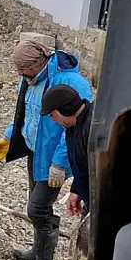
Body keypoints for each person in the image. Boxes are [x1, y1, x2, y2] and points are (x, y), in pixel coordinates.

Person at [0, 39, 92, 260]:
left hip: (54, 159)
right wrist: (9, 135)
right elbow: (24, 113)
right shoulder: (30, 80)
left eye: (23, 70)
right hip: (35, 152)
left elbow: (74, 131)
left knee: (38, 208)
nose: (20, 75)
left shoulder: (72, 83)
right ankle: (37, 252)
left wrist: (59, 163)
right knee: (35, 205)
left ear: (38, 63)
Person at [40, 84, 93, 219]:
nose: (52, 119)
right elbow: (83, 165)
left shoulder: (93, 129)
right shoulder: (74, 126)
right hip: (91, 200)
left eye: (52, 114)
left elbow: (99, 171)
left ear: (65, 110)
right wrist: (77, 190)